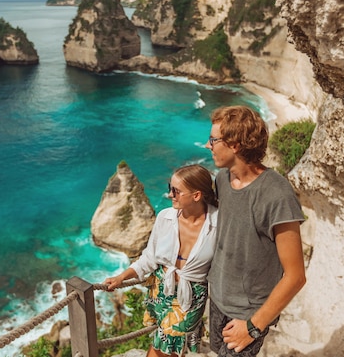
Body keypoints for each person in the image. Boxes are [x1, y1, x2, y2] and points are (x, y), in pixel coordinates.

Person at [205, 105, 307, 356]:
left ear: (234, 145)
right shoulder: (222, 179)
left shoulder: (277, 195)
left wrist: (253, 327)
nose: (208, 146)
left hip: (247, 314)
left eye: (213, 140)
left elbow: (295, 276)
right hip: (217, 299)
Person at [104, 164, 219, 357]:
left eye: (176, 191)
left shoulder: (219, 224)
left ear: (196, 195)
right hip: (161, 291)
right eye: (170, 188)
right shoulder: (165, 217)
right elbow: (149, 257)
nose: (170, 195)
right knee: (168, 345)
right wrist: (122, 277)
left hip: (190, 298)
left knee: (168, 343)